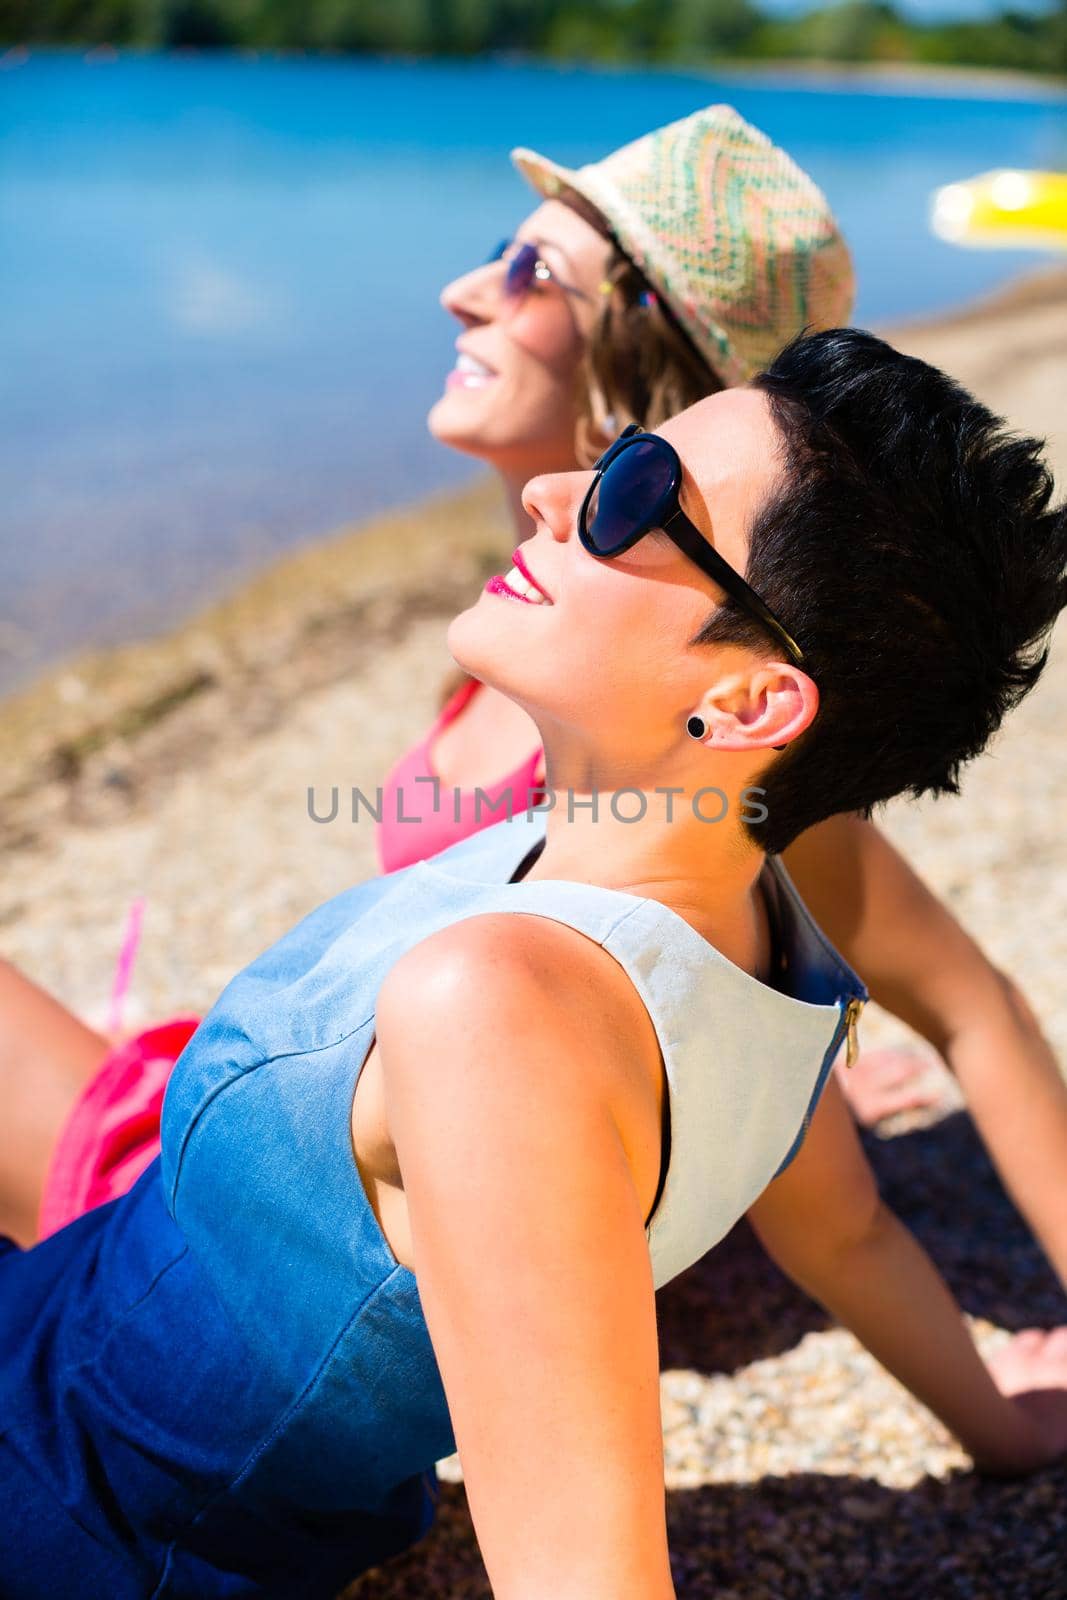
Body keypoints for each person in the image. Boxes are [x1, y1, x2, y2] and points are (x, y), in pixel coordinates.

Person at [3, 330, 1067, 1600]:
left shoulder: (501, 1017)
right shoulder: (761, 954)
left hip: (69, 1486)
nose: (553, 493)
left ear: (744, 706)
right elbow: (848, 1236)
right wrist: (1004, 1434)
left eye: (633, 495)